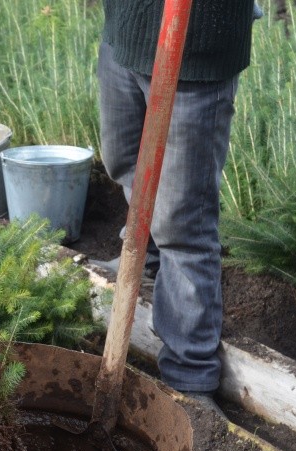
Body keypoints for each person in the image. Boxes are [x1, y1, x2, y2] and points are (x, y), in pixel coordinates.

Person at [97, 1, 258, 411]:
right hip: (127, 30)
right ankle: (149, 261)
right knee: (122, 159)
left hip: (197, 45)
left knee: (183, 220)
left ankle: (190, 374)